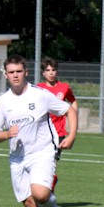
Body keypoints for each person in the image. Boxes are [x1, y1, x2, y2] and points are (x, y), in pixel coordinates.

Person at [0, 54, 77, 207]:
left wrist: (71, 136)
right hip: (17, 158)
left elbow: (69, 110)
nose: (15, 75)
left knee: (40, 194)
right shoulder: (3, 102)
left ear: (26, 72)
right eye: (11, 72)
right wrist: (5, 134)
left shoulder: (40, 94)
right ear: (6, 75)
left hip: (42, 151)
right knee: (28, 202)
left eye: (19, 71)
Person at [37, 57, 77, 193]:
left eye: (53, 70)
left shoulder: (64, 87)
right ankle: (48, 185)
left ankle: (48, 190)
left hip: (58, 133)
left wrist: (73, 116)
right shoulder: (38, 88)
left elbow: (73, 101)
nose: (51, 73)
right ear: (43, 73)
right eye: (47, 70)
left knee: (51, 162)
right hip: (42, 132)